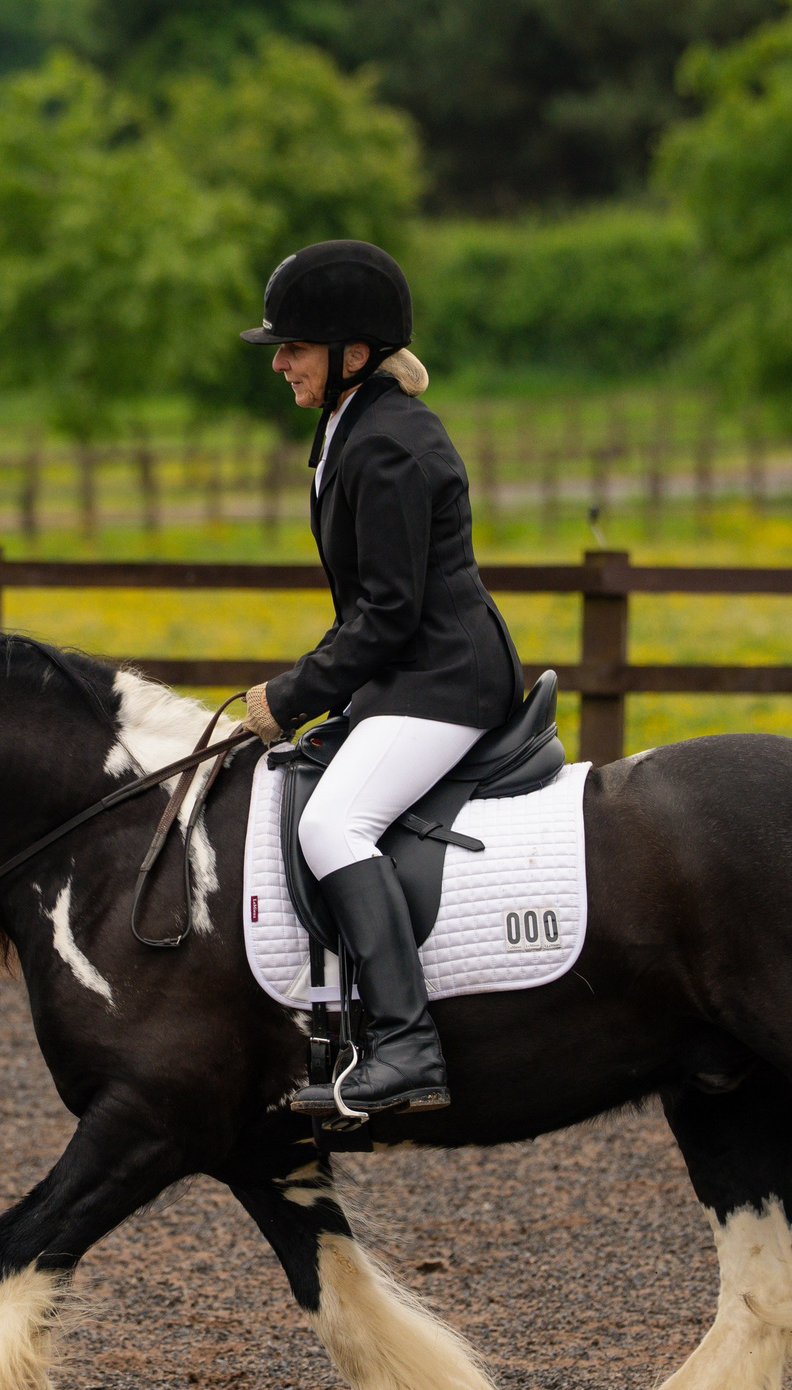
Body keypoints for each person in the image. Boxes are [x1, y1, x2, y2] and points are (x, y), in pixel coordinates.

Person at [237, 239, 525, 1119]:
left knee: (333, 823)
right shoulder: (348, 425)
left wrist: (289, 697)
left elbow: (390, 613)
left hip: (444, 681)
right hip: (408, 676)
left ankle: (405, 1047)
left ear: (352, 354)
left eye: (294, 346)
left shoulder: (390, 444)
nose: (280, 361)